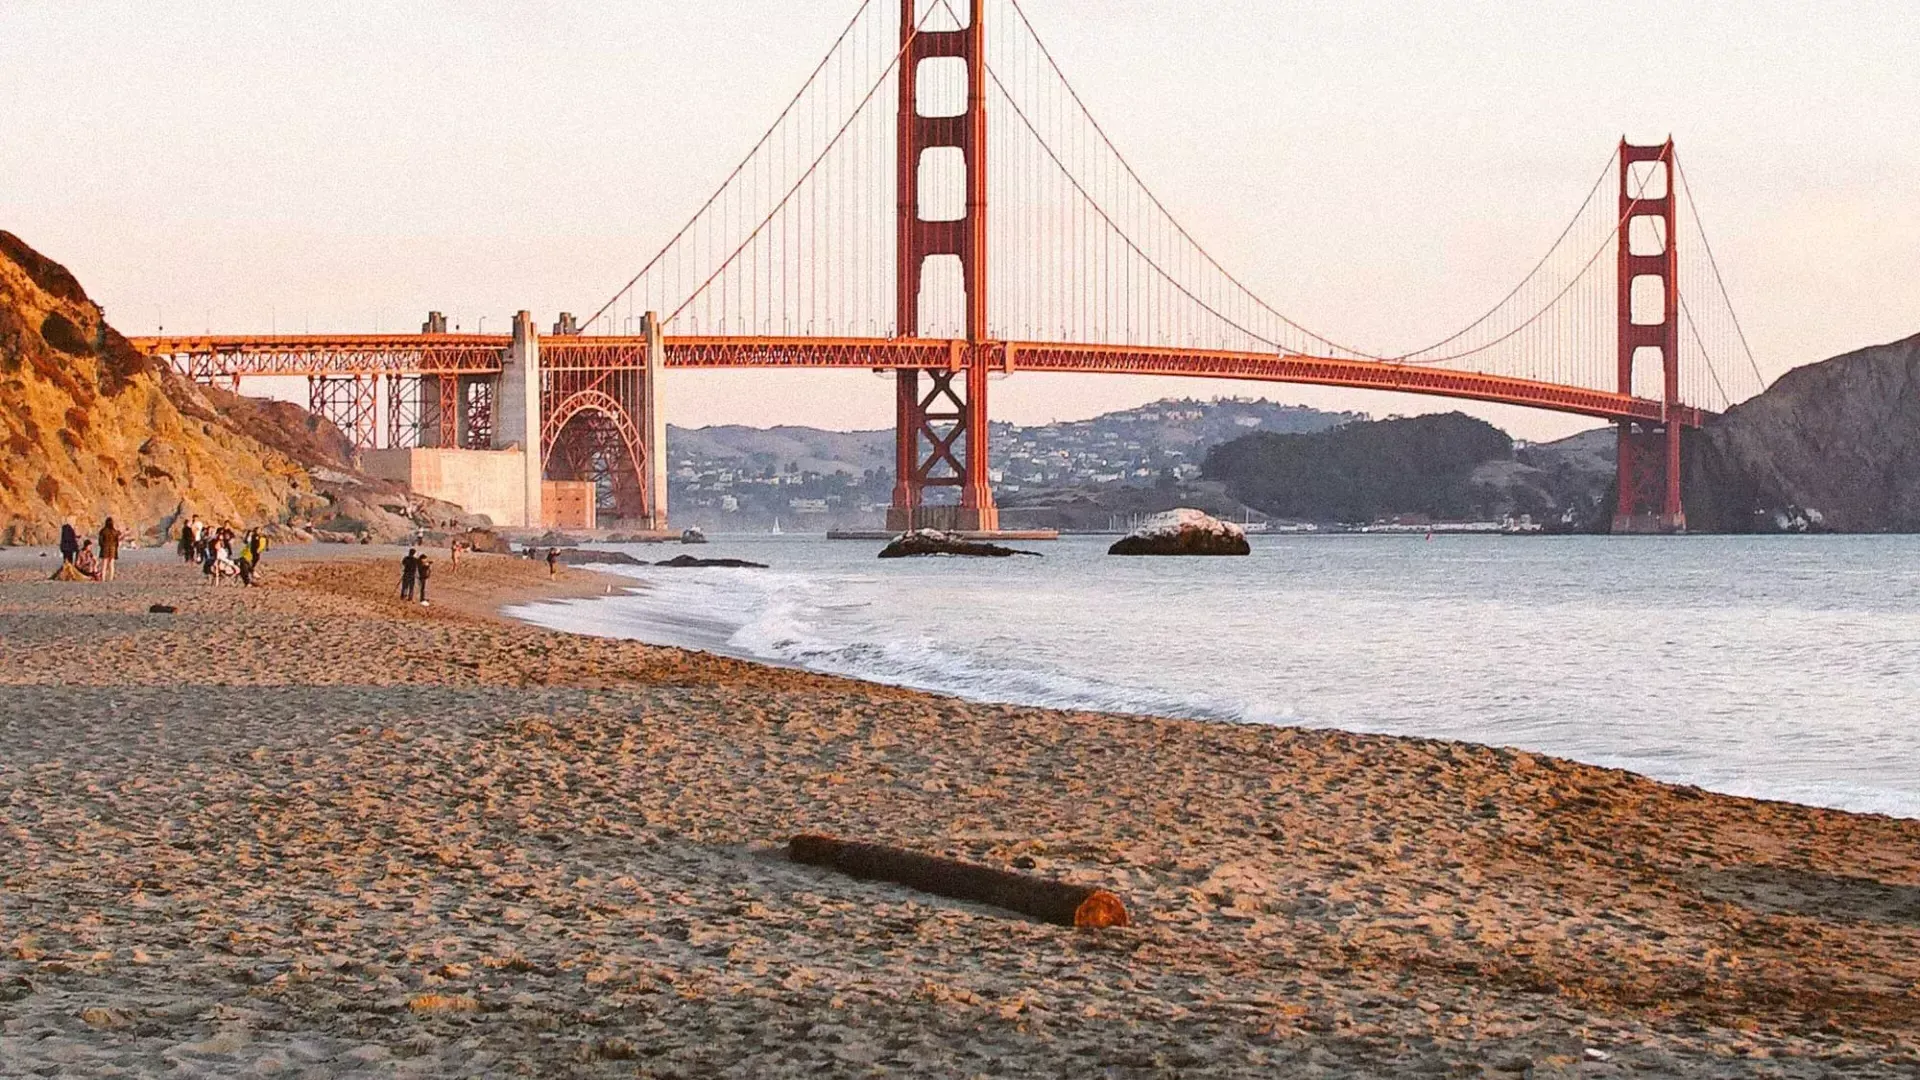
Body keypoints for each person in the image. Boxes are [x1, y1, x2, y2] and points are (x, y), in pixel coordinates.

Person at [98, 518, 121, 582]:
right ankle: (110, 578)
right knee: (111, 564)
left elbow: (100, 541)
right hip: (112, 548)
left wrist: (102, 546)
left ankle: (103, 578)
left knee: (104, 564)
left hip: (105, 548)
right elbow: (117, 542)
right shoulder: (114, 531)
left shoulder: (103, 531)